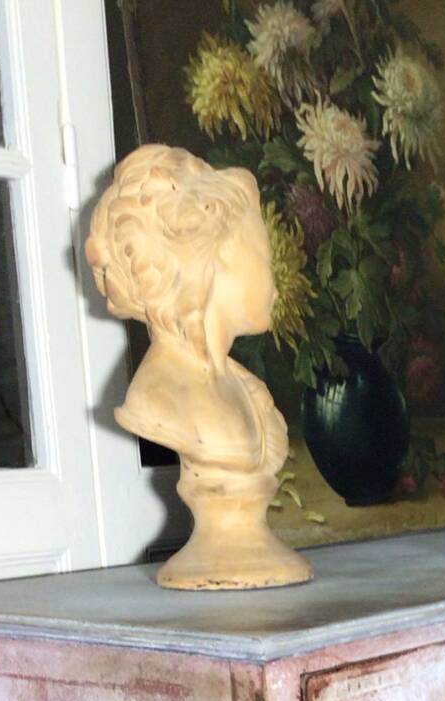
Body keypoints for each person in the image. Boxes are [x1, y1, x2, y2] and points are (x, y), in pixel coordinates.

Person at [86, 144, 312, 589]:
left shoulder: (246, 389)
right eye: (266, 261)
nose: (277, 282)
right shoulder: (159, 395)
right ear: (219, 256)